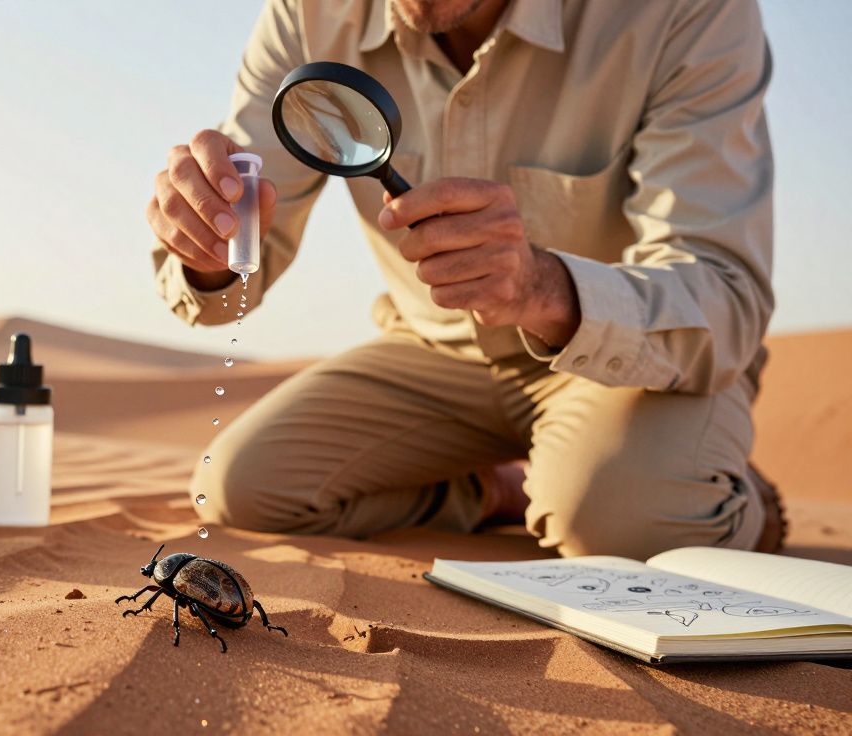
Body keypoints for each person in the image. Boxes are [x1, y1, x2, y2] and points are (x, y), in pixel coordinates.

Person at [146, 0, 783, 559]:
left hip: (622, 364)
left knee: (618, 521)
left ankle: (735, 502)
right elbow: (237, 262)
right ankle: (497, 491)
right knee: (239, 488)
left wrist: (542, 287)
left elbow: (725, 292)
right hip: (431, 354)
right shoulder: (306, 13)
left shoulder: (689, 9)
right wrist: (207, 247)